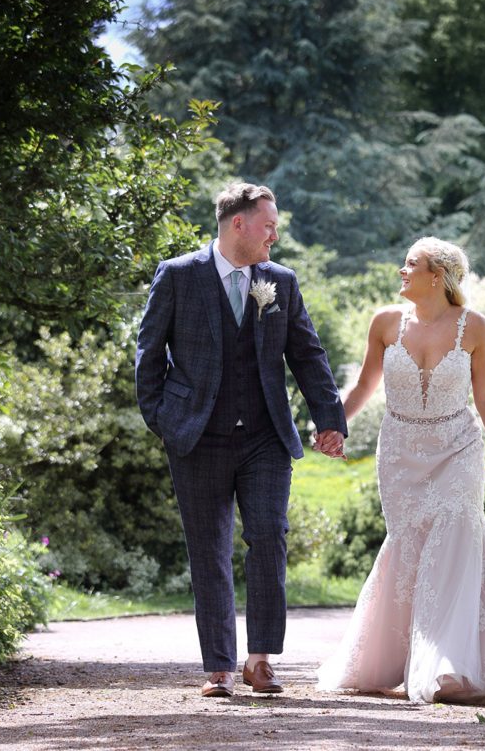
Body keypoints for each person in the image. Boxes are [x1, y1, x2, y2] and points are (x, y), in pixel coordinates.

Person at [316, 237, 485, 707]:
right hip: (400, 452)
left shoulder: (474, 328)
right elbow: (365, 383)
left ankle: (447, 663)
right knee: (409, 546)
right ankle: (403, 661)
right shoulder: (385, 323)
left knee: (454, 537)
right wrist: (332, 427)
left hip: (458, 449)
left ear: (437, 276)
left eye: (411, 265)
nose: (401, 271)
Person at [135, 183, 347, 698]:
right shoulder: (179, 275)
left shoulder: (281, 282)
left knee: (270, 537)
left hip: (265, 437)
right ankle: (220, 668)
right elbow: (148, 354)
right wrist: (164, 419)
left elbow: (308, 354)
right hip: (196, 438)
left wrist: (330, 418)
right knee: (208, 550)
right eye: (269, 225)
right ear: (239, 224)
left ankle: (260, 660)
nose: (275, 235)